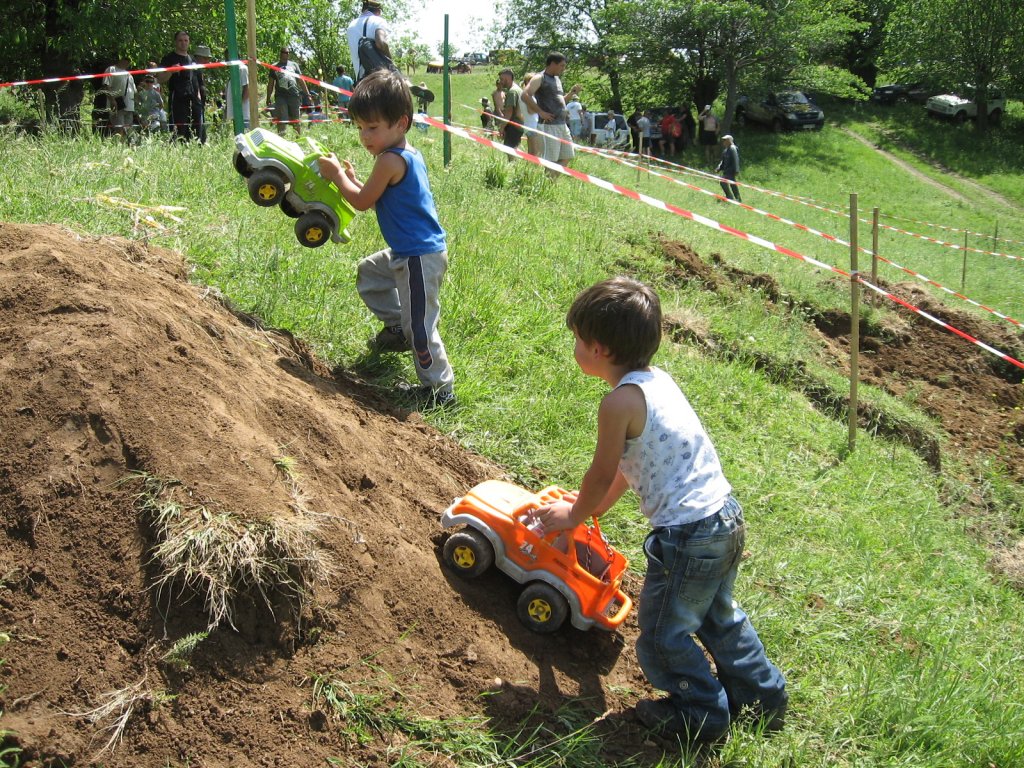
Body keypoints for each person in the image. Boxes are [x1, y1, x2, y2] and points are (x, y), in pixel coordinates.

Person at [535, 276, 787, 745]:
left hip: (687, 537)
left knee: (660, 637)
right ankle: (764, 698)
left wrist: (572, 514)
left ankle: (702, 714)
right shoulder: (656, 383)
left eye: (576, 339)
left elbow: (599, 472)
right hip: (724, 518)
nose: (574, 346)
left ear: (598, 348)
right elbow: (630, 470)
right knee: (718, 616)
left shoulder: (618, 403)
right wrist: (592, 511)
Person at [316, 70, 455, 408]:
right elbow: (374, 194)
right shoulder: (404, 154)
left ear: (401, 123)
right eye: (361, 127)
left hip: (419, 258)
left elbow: (362, 202)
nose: (365, 136)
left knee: (421, 328)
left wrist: (336, 177)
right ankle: (396, 328)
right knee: (370, 273)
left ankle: (440, 390)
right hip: (406, 253)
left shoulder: (389, 160)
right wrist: (352, 179)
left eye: (373, 127)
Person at [523, 52, 579, 171]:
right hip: (549, 126)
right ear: (553, 64)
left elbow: (560, 101)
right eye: (562, 66)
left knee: (568, 155)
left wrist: (571, 93)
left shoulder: (557, 79)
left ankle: (550, 182)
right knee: (551, 161)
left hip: (562, 125)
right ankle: (547, 185)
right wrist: (540, 112)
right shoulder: (540, 77)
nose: (563, 69)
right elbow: (525, 95)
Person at [158, 30, 203, 142]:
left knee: (197, 128)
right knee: (179, 129)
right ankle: (177, 150)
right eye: (180, 40)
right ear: (175, 42)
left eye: (186, 40)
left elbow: (198, 79)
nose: (183, 43)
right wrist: (171, 71)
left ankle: (195, 149)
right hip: (178, 98)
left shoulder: (193, 60)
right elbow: (159, 79)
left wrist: (199, 97)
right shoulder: (168, 58)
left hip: (194, 99)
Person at [266, 47, 310, 136]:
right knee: (282, 120)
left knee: (296, 120)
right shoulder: (274, 66)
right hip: (280, 96)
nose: (287, 54)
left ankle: (299, 139)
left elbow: (301, 80)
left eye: (288, 52)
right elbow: (271, 83)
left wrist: (307, 94)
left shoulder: (294, 65)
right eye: (284, 52)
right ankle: (282, 139)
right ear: (280, 53)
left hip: (294, 95)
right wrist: (268, 97)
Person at [346, 0, 393, 83]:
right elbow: (381, 43)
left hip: (361, 80)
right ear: (378, 11)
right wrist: (391, 63)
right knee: (399, 80)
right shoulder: (378, 21)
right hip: (380, 79)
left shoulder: (351, 26)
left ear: (363, 10)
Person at [101, 55, 136, 139]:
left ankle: (128, 148)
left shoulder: (129, 75)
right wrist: (112, 100)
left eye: (129, 59)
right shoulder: (111, 69)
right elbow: (106, 86)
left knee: (129, 130)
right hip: (117, 104)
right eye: (125, 58)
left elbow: (134, 91)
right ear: (120, 59)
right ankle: (119, 148)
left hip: (129, 106)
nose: (127, 61)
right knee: (119, 129)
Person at [498, 68, 524, 151]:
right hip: (518, 124)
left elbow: (509, 112)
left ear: (507, 79)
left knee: (510, 150)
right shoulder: (518, 89)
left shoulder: (512, 92)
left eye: (502, 79)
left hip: (513, 126)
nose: (501, 82)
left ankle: (513, 164)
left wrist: (502, 127)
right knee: (514, 148)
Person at [224, 49, 250, 129]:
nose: (226, 60)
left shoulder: (242, 69)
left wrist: (238, 107)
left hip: (242, 114)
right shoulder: (234, 70)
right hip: (235, 115)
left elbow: (247, 89)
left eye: (227, 57)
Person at [521, 73, 542, 157]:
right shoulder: (528, 96)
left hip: (528, 124)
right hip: (532, 125)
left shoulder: (526, 94)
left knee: (531, 151)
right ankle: (534, 167)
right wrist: (540, 110)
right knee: (535, 151)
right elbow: (530, 111)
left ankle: (529, 167)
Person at [716, 134, 741, 202]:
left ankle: (733, 198)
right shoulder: (726, 150)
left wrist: (736, 170)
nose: (724, 142)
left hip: (731, 171)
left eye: (725, 140)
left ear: (729, 141)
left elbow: (736, 159)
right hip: (726, 171)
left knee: (725, 182)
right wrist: (719, 168)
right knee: (730, 184)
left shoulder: (733, 148)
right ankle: (734, 198)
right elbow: (723, 161)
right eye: (723, 140)